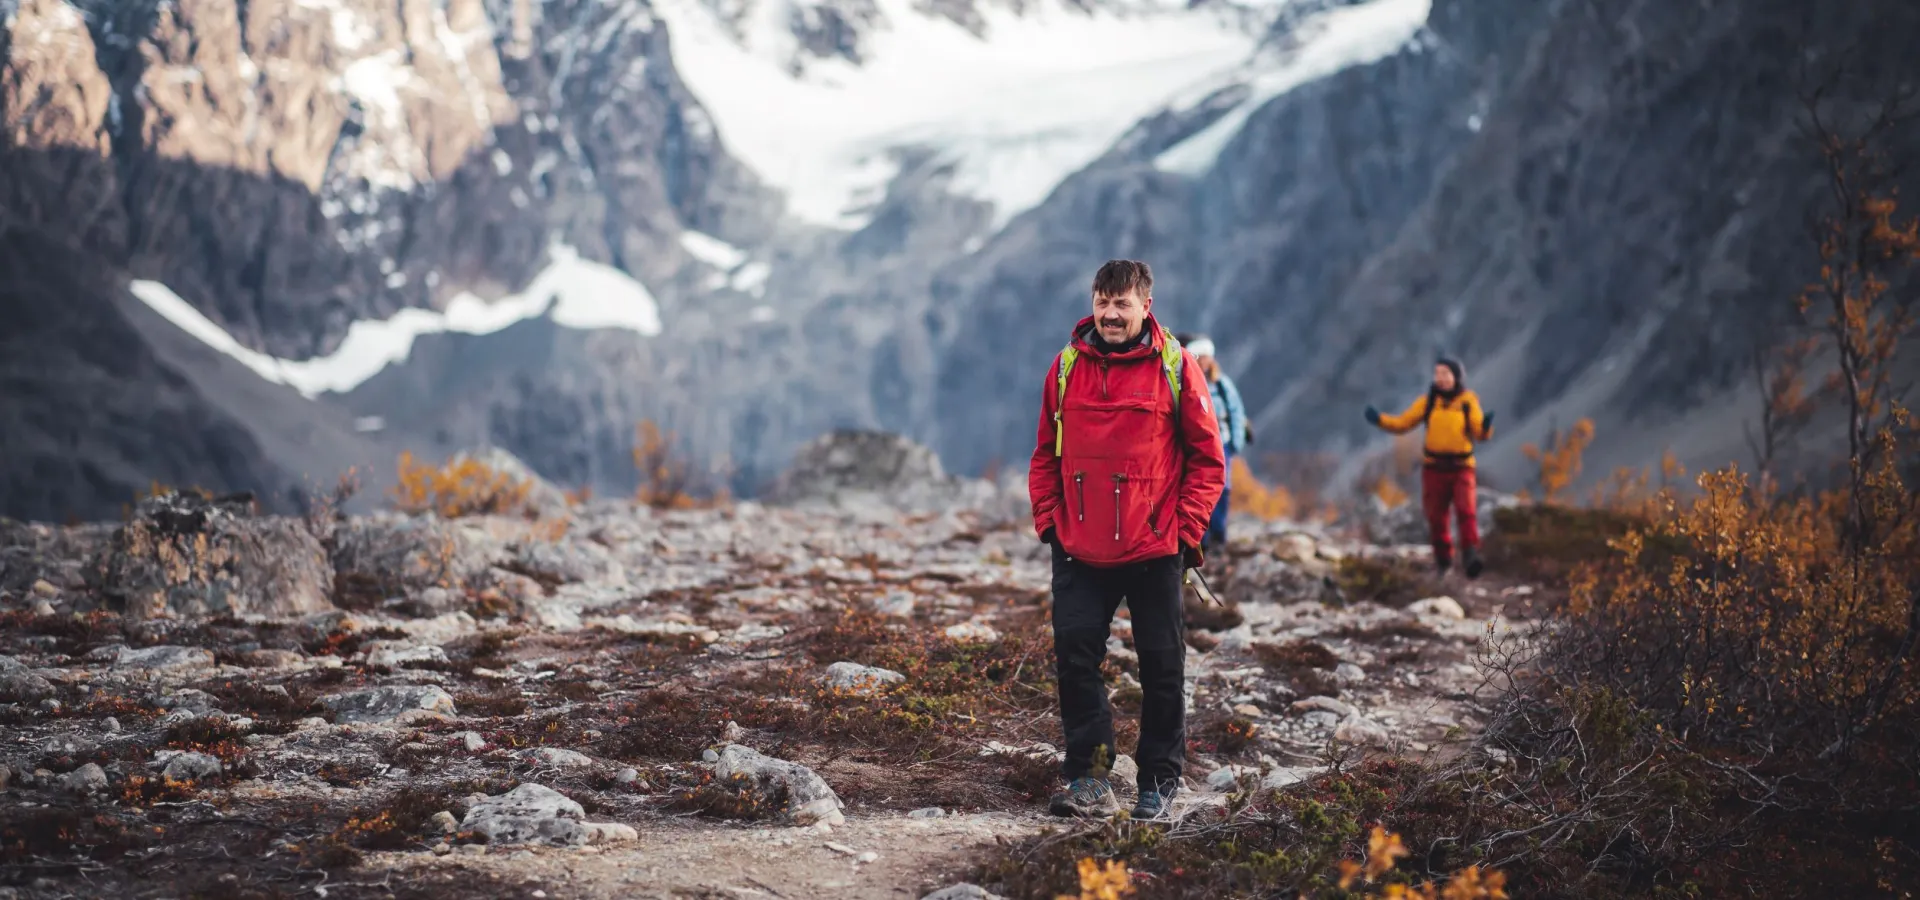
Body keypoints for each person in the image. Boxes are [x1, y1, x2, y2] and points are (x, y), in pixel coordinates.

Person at [1029, 260, 1226, 821]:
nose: (1110, 314)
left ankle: (1160, 780)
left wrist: (1185, 531)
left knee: (1162, 666)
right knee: (1076, 660)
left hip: (1154, 549)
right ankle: (1090, 777)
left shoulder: (1176, 366)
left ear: (1145, 305)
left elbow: (1208, 460)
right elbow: (1045, 454)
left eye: (1122, 304)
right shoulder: (1065, 367)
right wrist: (1050, 523)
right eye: (1101, 301)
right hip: (1078, 549)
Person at [1364, 357, 1495, 577]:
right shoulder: (1428, 402)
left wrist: (1486, 427)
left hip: (1462, 467)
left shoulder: (1467, 402)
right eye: (1437, 374)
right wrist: (1380, 420)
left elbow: (1479, 433)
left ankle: (1471, 555)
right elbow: (1403, 423)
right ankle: (1443, 560)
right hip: (1434, 468)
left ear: (1456, 377)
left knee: (1466, 510)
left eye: (1446, 374)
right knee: (1436, 516)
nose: (1441, 379)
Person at [1176, 333, 1250, 553]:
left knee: (1222, 489)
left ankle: (1218, 534)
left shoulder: (1222, 384)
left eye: (1207, 356)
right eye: (1201, 355)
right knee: (1199, 488)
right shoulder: (1187, 379)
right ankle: (1202, 537)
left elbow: (1236, 412)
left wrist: (1235, 443)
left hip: (1223, 443)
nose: (1205, 360)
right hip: (1197, 443)